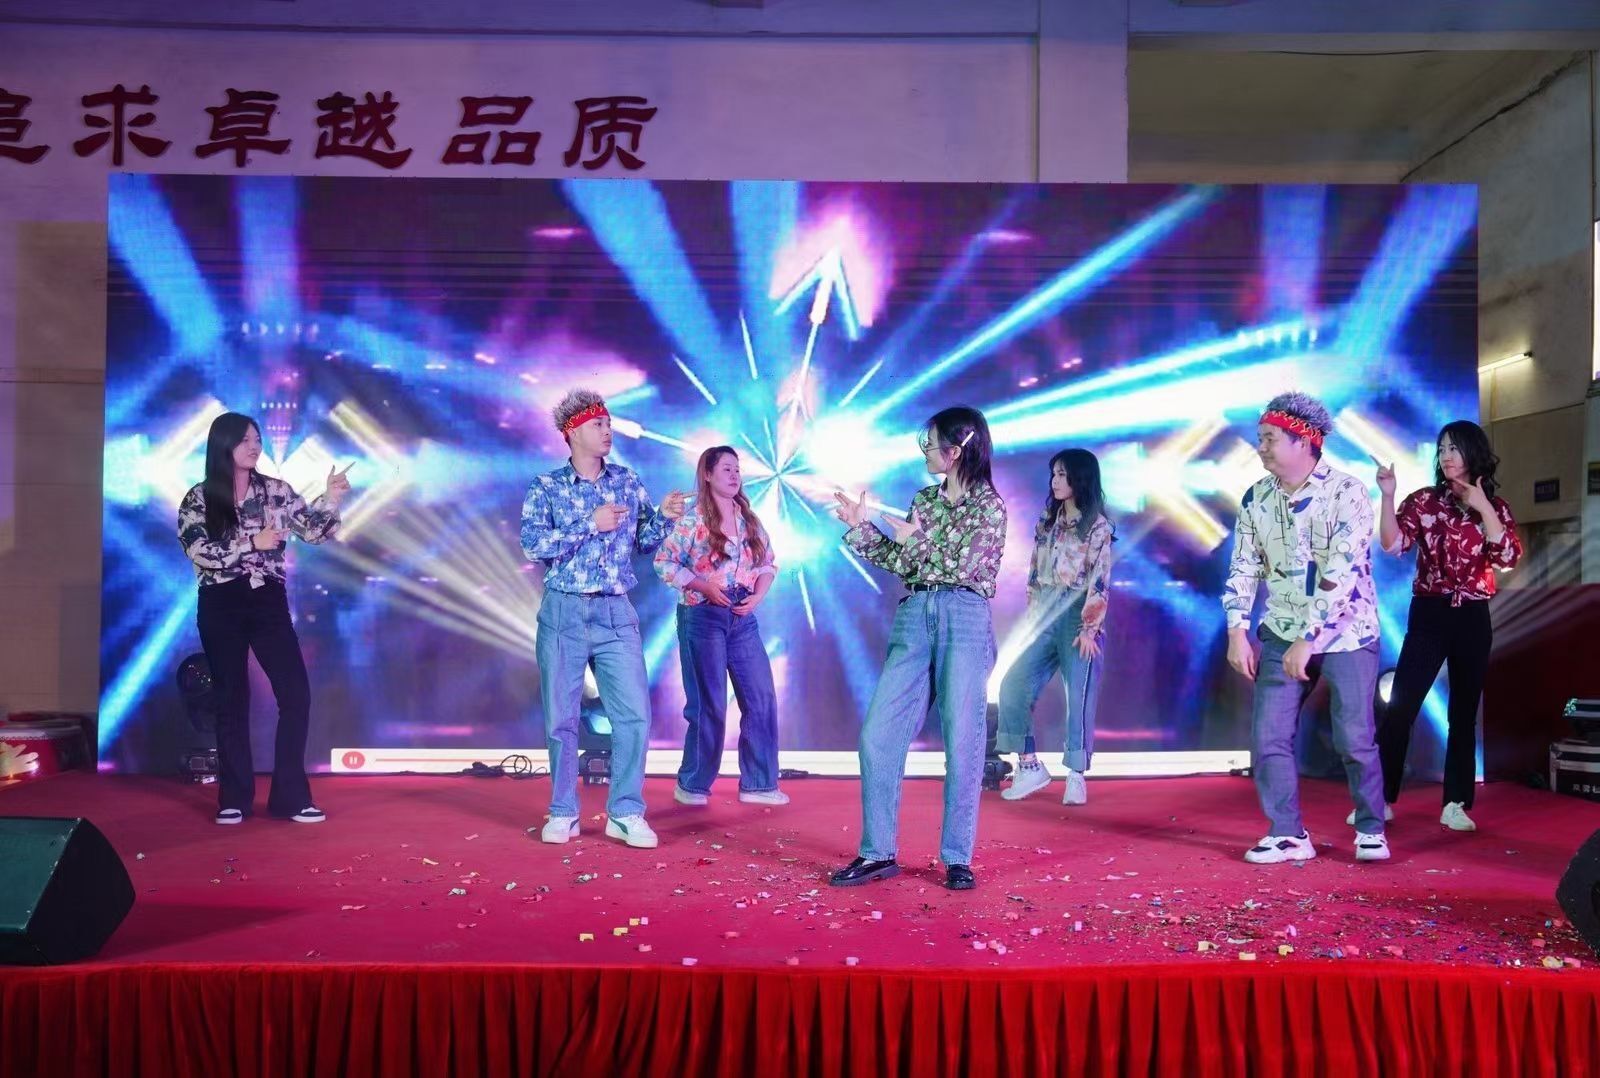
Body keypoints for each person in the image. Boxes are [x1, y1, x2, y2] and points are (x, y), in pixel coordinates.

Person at [828, 406, 1007, 891]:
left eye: (930, 443)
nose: (925, 451)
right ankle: (877, 852)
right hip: (915, 612)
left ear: (956, 449)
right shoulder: (925, 500)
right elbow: (902, 560)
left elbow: (963, 566)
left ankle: (957, 857)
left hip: (963, 615)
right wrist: (860, 528)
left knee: (963, 739)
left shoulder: (989, 507)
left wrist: (917, 541)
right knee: (878, 735)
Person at [1222, 392, 1390, 864]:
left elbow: (1342, 571)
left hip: (1347, 633)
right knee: (1268, 737)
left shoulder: (1348, 493)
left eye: (1269, 438)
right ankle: (1288, 833)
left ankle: (1371, 828)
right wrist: (1237, 630)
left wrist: (1309, 637)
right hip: (1281, 629)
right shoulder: (1256, 497)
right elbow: (1243, 565)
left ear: (1304, 441)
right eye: (1259, 438)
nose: (1260, 447)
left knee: (1354, 737)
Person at [520, 389, 685, 849]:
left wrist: (665, 517)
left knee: (633, 716)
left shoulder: (627, 481)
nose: (608, 431)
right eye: (598, 425)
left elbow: (644, 541)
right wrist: (591, 523)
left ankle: (626, 811)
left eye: (609, 424)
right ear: (572, 433)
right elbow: (533, 546)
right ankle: (563, 811)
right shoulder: (546, 486)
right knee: (561, 719)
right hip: (564, 611)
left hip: (615, 611)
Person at [177, 412, 351, 825]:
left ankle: (291, 797)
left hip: (267, 601)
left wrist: (331, 497)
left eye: (257, 440)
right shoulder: (199, 498)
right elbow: (199, 550)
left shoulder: (276, 491)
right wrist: (251, 542)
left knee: (295, 694)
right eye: (245, 440)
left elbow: (313, 532)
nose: (254, 447)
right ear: (223, 445)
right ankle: (233, 798)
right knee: (231, 698)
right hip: (220, 602)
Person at [1371, 420, 1521, 832]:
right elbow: (1393, 544)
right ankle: (1379, 798)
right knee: (1400, 705)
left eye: (1453, 448)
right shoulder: (1424, 501)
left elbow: (1507, 558)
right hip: (1430, 611)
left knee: (1463, 713)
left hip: (1473, 614)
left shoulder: (1496, 507)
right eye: (1441, 449)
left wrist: (1484, 506)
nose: (1446, 456)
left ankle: (1455, 802)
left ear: (1473, 452)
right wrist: (1388, 496)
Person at [654, 446, 786, 806]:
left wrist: (757, 596)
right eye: (726, 468)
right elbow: (664, 562)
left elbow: (768, 564)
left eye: (737, 469)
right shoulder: (693, 519)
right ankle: (693, 784)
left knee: (761, 698)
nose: (734, 475)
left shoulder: (748, 518)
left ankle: (759, 783)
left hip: (742, 616)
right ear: (708, 474)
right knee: (709, 704)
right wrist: (703, 586)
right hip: (702, 615)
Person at [997, 448, 1113, 805]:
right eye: (1054, 474)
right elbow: (1034, 570)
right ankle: (1029, 765)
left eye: (1062, 474)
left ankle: (1076, 775)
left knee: (1078, 696)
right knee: (1013, 684)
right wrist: (1034, 613)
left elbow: (1100, 578)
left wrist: (1089, 628)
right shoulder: (1047, 520)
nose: (1055, 481)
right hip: (1045, 612)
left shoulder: (1097, 526)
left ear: (1080, 477)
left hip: (1078, 613)